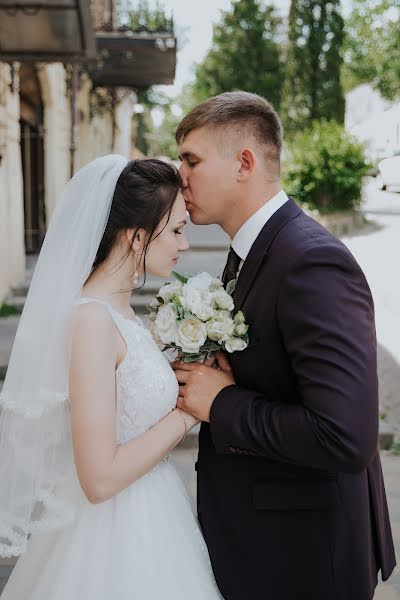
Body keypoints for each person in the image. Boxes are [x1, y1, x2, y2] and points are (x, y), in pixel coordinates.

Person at [173, 91, 396, 600]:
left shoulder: (310, 262)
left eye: (191, 160)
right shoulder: (249, 253)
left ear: (244, 163)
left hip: (305, 557)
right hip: (268, 543)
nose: (178, 176)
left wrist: (222, 402)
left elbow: (345, 435)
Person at [0, 155, 222, 599]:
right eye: (177, 230)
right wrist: (187, 416)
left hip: (155, 514)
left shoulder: (118, 312)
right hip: (113, 533)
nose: (184, 245)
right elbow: (98, 478)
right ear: (138, 236)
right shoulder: (92, 322)